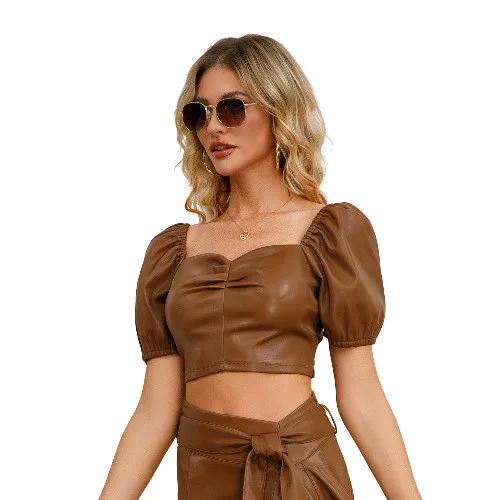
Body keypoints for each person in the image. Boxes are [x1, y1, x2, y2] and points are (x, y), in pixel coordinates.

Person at [100, 34, 422, 499]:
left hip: (298, 471)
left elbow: (361, 392)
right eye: (200, 113)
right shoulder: (172, 252)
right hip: (202, 476)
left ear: (278, 110)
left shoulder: (329, 233)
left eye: (232, 108)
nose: (214, 127)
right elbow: (155, 410)